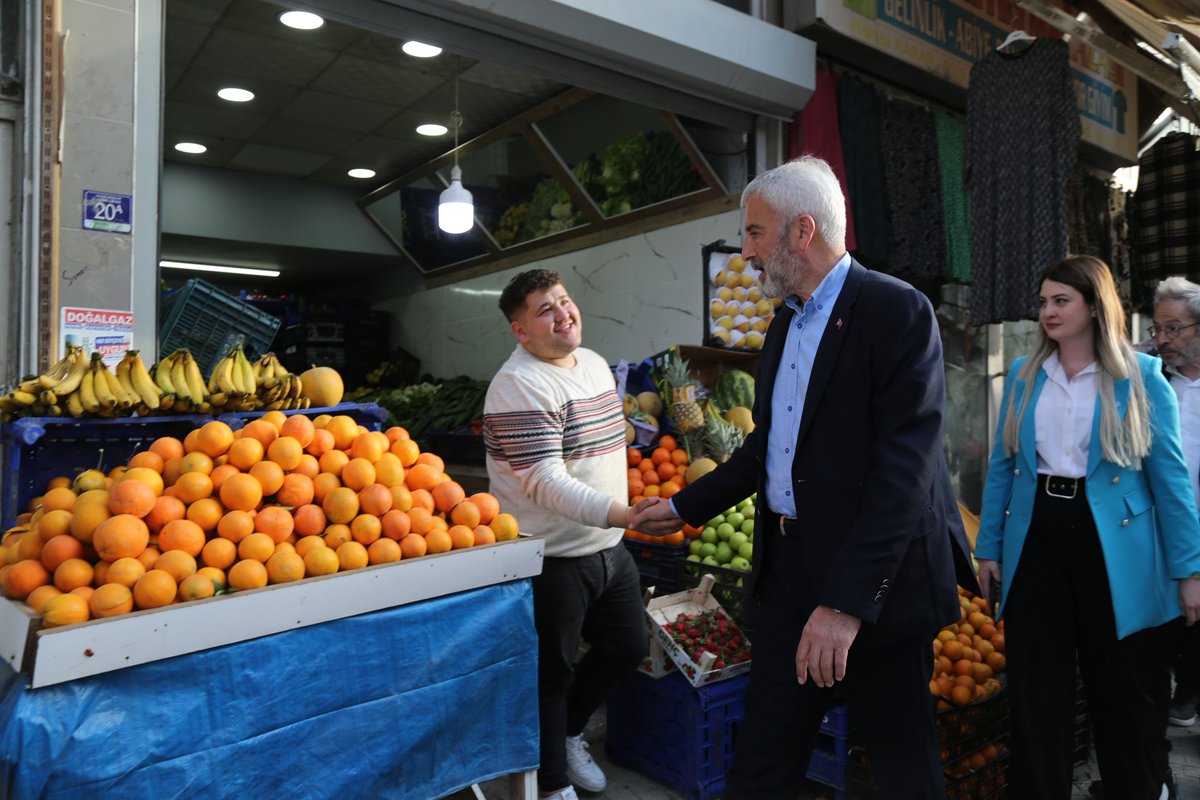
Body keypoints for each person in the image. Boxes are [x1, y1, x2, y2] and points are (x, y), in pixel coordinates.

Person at [631, 156, 976, 799]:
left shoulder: (897, 312)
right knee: (763, 761)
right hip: (790, 575)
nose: (746, 252)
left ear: (802, 231)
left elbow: (905, 472)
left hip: (879, 588)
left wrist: (845, 606)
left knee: (902, 770)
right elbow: (770, 449)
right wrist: (683, 508)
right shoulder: (786, 320)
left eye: (756, 234)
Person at [974, 256, 1200, 800]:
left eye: (1060, 301)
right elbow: (1005, 464)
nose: (1047, 311)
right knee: (1036, 695)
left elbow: (1171, 481)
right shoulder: (1028, 375)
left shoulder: (1141, 376)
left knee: (1121, 694)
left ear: (1095, 308)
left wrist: (1189, 570)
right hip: (1038, 538)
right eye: (1044, 301)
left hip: (1115, 544)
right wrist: (988, 548)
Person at [483, 269, 646, 800]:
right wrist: (623, 513)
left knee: (627, 646)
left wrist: (619, 520)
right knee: (549, 676)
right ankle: (550, 785)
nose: (563, 313)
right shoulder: (518, 385)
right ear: (521, 331)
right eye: (545, 310)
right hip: (549, 558)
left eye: (565, 300)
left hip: (607, 549)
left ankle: (571, 734)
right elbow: (544, 481)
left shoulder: (595, 364)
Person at [1151, 276, 1200, 729]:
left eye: (1175, 329)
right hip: (1159, 526)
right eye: (1158, 329)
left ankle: (1189, 691)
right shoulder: (1149, 379)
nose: (1163, 339)